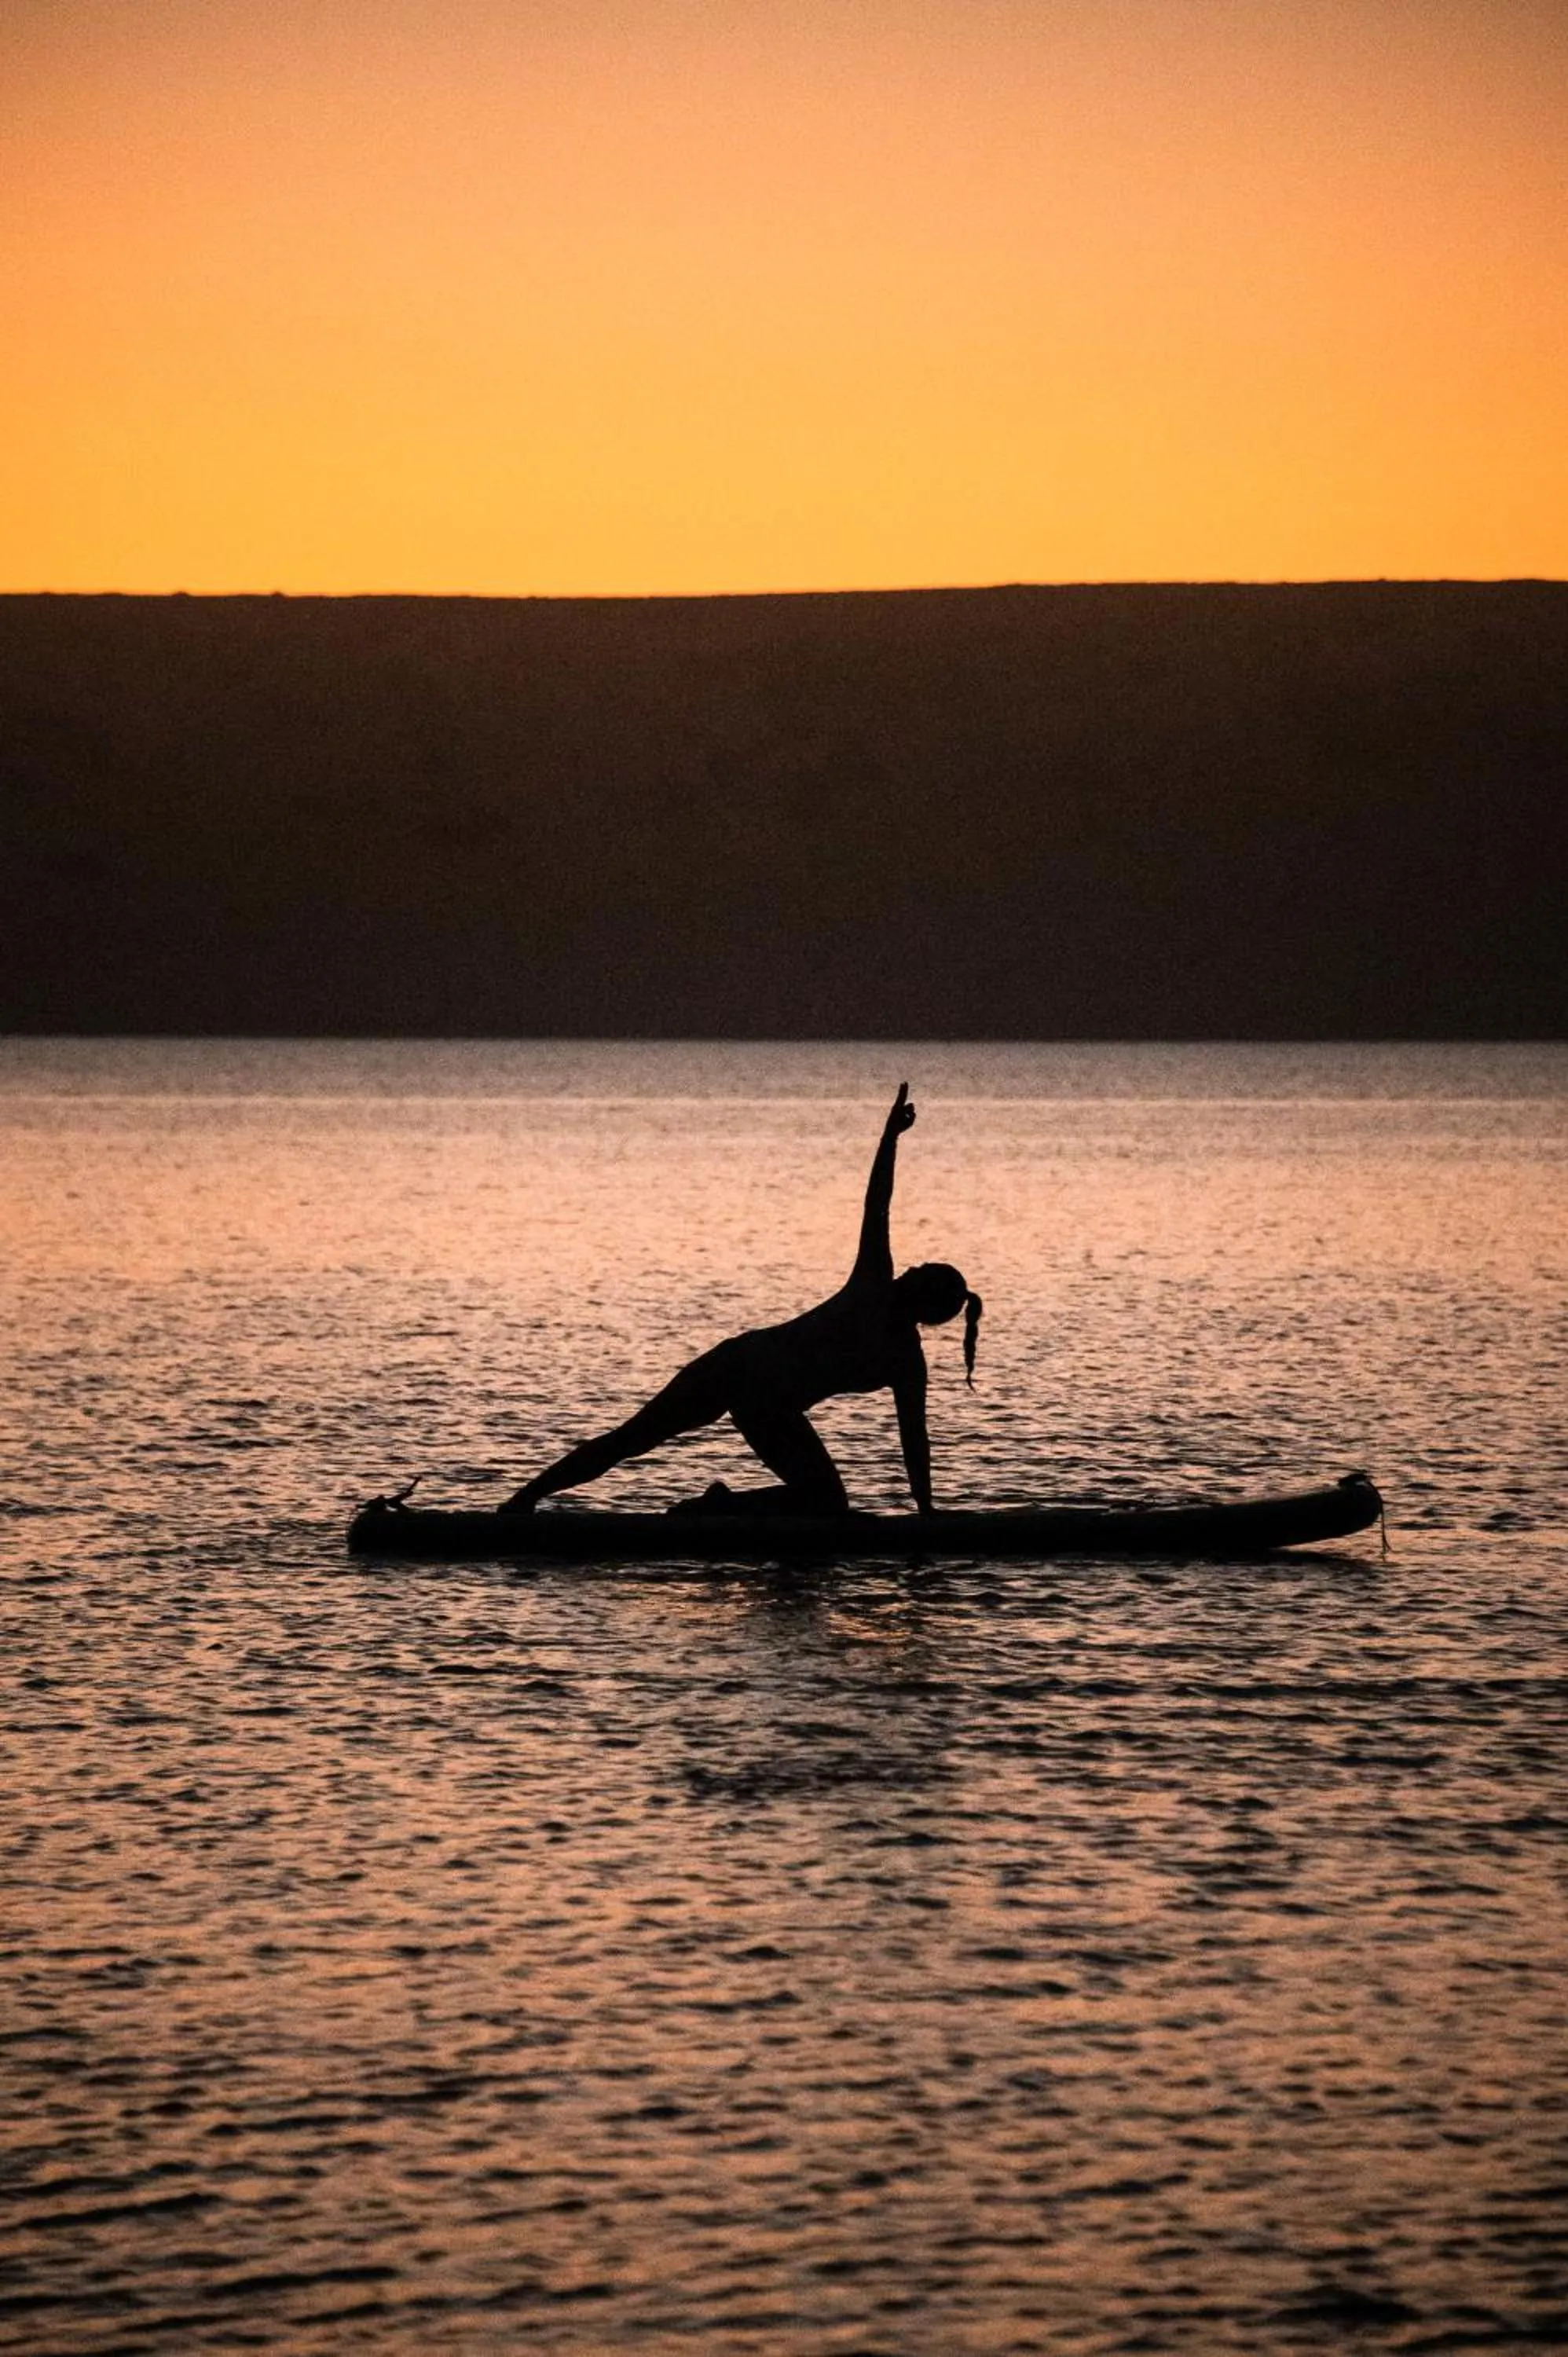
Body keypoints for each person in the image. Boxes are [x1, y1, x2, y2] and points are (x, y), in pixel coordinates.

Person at [500, 1083, 982, 1518]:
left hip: (770, 1407)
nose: (909, 1269)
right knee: (635, 1438)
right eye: (915, 1268)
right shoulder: (874, 1290)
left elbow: (913, 1441)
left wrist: (927, 1514)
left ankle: (715, 1511)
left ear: (925, 1302)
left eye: (918, 1274)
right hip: (738, 1366)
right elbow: (877, 1204)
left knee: (827, 1502)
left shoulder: (902, 1356)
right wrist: (889, 1137)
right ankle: (522, 1502)